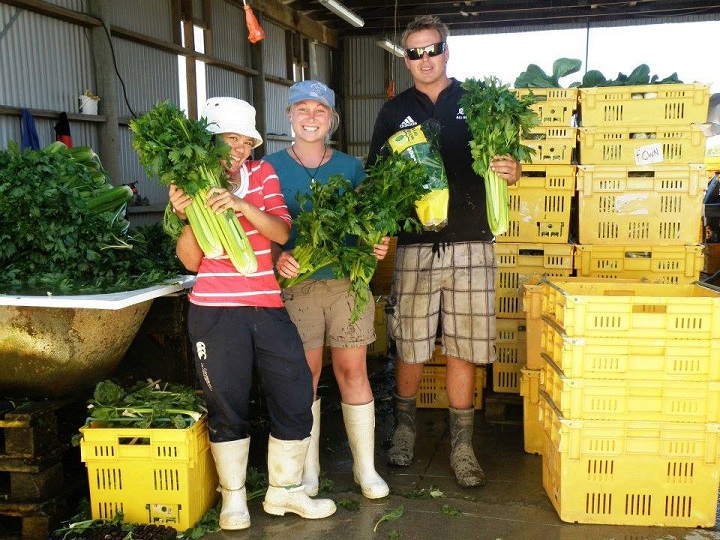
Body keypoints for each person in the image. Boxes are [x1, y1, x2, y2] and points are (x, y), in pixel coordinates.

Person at [365, 16, 522, 487]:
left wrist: (512, 170)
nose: (424, 59)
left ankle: (461, 444)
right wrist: (382, 226)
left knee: (464, 347)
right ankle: (405, 431)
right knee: (410, 343)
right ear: (405, 58)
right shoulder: (394, 111)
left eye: (431, 49)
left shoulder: (476, 102)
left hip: (473, 242)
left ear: (446, 51)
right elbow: (377, 178)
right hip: (415, 247)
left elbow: (509, 165)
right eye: (414, 53)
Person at [168, 97, 336, 530]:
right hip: (215, 309)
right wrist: (188, 215)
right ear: (208, 142)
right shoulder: (187, 183)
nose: (240, 149)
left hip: (266, 302)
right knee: (226, 400)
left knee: (296, 390)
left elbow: (282, 230)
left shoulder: (262, 174)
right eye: (230, 139)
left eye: (246, 141)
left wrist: (241, 206)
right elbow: (190, 261)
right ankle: (234, 499)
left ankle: (286, 491)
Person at [264, 80, 390, 500]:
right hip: (296, 286)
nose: (311, 117)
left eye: (320, 110)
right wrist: (276, 253)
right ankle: (309, 471)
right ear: (289, 116)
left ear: (332, 118)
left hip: (345, 284)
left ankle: (365, 470)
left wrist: (377, 239)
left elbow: (370, 218)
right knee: (307, 377)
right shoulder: (269, 167)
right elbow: (257, 226)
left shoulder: (353, 168)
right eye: (303, 109)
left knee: (353, 371)